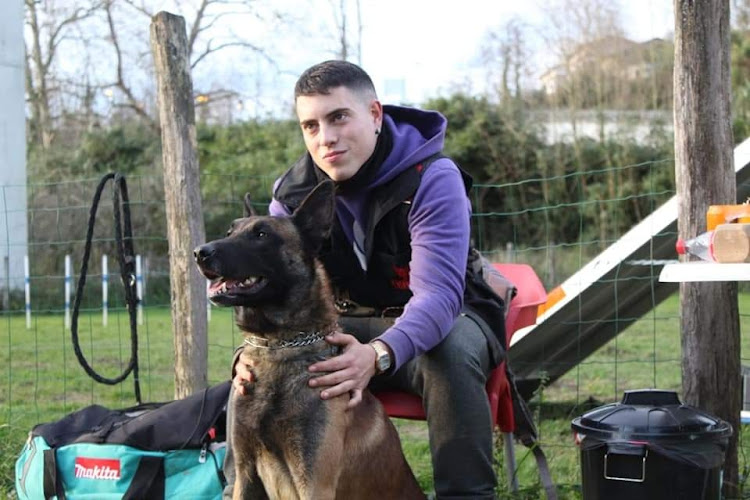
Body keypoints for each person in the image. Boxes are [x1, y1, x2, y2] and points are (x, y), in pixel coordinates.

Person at [226, 60, 505, 499]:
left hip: (444, 320)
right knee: (254, 369)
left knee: (449, 352)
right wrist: (249, 353)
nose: (326, 138)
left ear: (374, 114)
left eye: (338, 117)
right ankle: (243, 488)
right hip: (343, 325)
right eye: (310, 125)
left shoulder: (432, 178)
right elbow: (276, 290)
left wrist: (376, 356)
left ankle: (466, 494)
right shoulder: (292, 194)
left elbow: (437, 297)